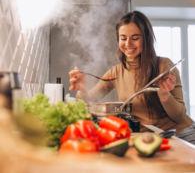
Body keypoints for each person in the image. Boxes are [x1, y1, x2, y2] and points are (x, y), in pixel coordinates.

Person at [69, 11, 195, 144]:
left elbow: (180, 117)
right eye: (123, 38)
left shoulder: (164, 66)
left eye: (135, 38)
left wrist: (165, 96)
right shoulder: (116, 72)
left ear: (146, 39)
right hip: (149, 139)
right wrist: (82, 89)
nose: (128, 43)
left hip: (181, 135)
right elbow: (87, 100)